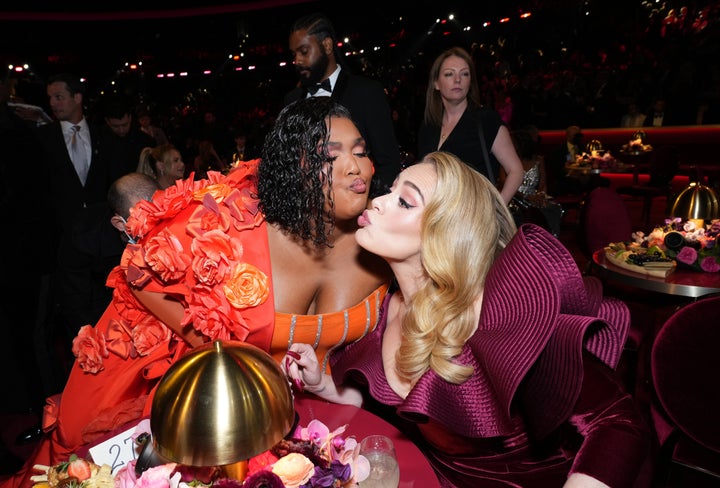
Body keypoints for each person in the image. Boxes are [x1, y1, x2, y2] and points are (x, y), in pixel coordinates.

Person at [1, 96, 391, 488]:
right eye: (330, 156)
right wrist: (209, 341)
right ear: (297, 168)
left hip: (338, 428)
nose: (355, 167)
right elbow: (139, 268)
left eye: (361, 151)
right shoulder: (232, 224)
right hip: (229, 426)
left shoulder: (385, 235)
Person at [284, 151, 650, 488]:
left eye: (404, 201)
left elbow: (619, 425)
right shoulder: (390, 307)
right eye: (390, 190)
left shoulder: (505, 317)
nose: (376, 202)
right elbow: (387, 403)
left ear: (444, 234)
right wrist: (323, 386)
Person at [284, 12, 401, 196]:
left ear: (327, 45)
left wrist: (369, 208)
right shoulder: (291, 100)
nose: (297, 60)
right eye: (294, 54)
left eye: (304, 51)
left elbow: (388, 164)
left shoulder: (367, 93)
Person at [416, 47, 523, 204]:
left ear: (470, 81)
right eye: (449, 74)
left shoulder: (486, 119)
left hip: (475, 221)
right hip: (436, 219)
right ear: (436, 83)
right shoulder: (429, 125)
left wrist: (497, 210)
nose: (457, 79)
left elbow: (516, 171)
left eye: (464, 74)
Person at [510, 128, 564, 236]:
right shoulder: (508, 160)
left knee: (553, 208)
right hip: (514, 197)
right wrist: (526, 197)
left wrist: (540, 196)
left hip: (533, 196)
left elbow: (543, 184)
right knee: (519, 212)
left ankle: (549, 241)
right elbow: (505, 184)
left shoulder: (538, 160)